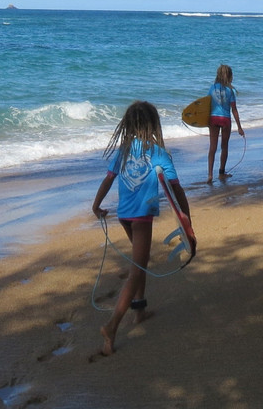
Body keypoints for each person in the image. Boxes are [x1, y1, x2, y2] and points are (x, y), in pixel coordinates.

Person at [91, 100, 191, 356]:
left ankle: (140, 310)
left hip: (124, 214)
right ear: (152, 124)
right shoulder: (158, 152)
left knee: (141, 262)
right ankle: (112, 326)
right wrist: (186, 219)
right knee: (136, 270)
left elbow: (108, 179)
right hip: (142, 217)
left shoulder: (123, 150)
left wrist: (96, 205)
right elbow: (176, 188)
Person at [206, 64, 244, 183]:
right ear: (229, 76)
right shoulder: (230, 91)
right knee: (224, 147)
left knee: (212, 148)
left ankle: (210, 175)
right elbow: (234, 109)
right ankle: (222, 172)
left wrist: (205, 121)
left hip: (213, 119)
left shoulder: (212, 88)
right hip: (225, 119)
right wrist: (239, 127)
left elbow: (206, 105)